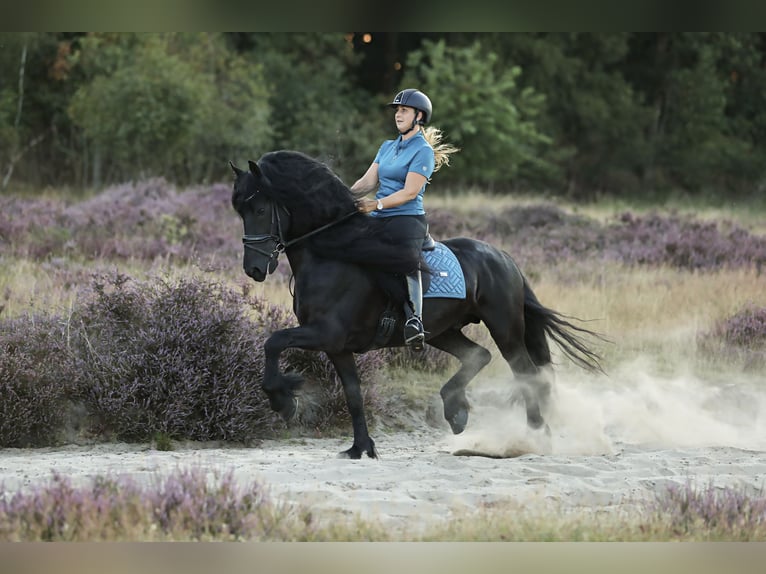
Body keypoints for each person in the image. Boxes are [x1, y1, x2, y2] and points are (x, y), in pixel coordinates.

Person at [352, 88, 458, 351]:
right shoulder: (387, 147)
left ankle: (414, 320)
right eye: (397, 110)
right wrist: (341, 197)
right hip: (379, 214)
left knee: (406, 259)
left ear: (419, 116)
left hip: (407, 219)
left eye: (404, 110)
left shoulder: (422, 151)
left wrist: (376, 203)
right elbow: (367, 181)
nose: (398, 114)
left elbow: (410, 192)